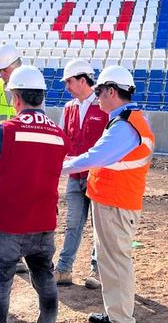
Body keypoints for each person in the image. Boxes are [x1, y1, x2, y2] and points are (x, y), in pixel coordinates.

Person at [61, 65, 155, 323]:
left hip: (116, 203)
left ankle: (120, 319)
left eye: (100, 90)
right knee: (112, 261)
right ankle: (116, 315)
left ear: (111, 91)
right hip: (115, 201)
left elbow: (97, 156)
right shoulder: (126, 120)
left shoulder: (124, 125)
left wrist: (59, 167)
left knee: (115, 262)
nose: (97, 95)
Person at [0, 65, 70, 323]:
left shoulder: (4, 130)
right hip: (42, 220)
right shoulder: (57, 133)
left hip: (7, 221)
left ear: (15, 98)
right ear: (42, 97)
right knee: (45, 275)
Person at [55, 60, 108, 289]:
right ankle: (64, 269)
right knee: (72, 223)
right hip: (76, 177)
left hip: (99, 178)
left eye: (69, 81)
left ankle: (98, 271)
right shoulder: (68, 108)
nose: (67, 85)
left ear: (82, 80)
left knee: (100, 226)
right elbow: (63, 139)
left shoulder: (105, 108)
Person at [0, 43, 29, 273]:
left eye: (5, 70)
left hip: (21, 161)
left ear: (17, 65)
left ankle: (17, 255)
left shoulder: (29, 89)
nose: (2, 74)